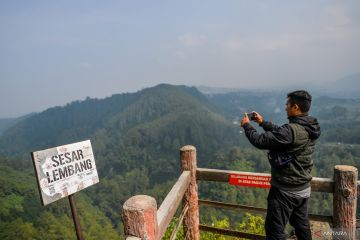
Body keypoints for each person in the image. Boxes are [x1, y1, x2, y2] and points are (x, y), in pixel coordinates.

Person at [240, 90, 321, 240]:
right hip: (303, 189)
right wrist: (262, 123)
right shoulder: (309, 126)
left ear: (295, 107)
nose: (285, 107)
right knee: (301, 227)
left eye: (287, 104)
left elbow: (260, 141)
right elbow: (283, 134)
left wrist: (247, 126)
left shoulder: (291, 130)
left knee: (274, 232)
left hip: (285, 191)